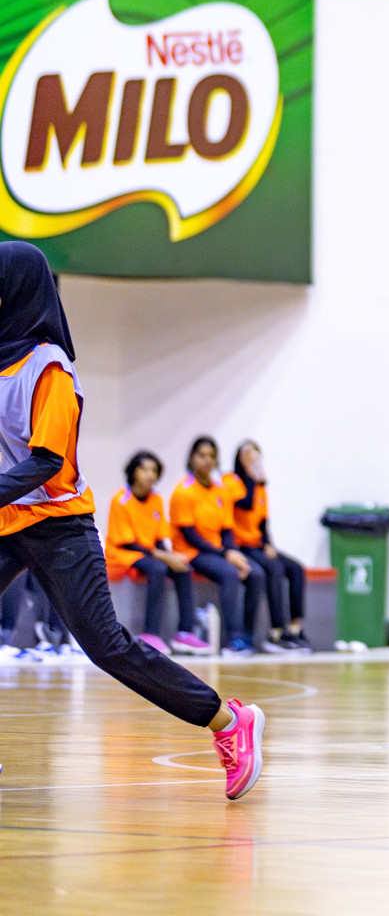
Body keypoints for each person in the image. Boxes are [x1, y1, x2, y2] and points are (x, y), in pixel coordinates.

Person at [0, 243, 263, 799]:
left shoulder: (48, 364)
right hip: (5, 520)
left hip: (57, 526)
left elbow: (48, 463)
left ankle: (228, 721)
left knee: (108, 645)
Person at [105, 450, 212, 656]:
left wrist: (172, 557)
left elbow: (160, 537)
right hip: (122, 554)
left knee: (183, 568)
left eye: (154, 470)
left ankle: (184, 632)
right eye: (144, 469)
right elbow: (129, 544)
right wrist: (164, 557)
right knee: (158, 568)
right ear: (133, 472)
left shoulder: (156, 499)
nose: (150, 474)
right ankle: (150, 633)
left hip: (149, 554)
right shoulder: (121, 499)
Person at [170, 436, 267, 656]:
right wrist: (226, 554)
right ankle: (232, 639)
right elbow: (190, 535)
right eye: (201, 455)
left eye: (212, 456)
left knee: (257, 573)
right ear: (192, 458)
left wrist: (232, 551)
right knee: (230, 574)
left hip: (217, 551)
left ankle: (246, 636)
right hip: (191, 552)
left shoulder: (219, 490)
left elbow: (226, 529)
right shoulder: (183, 491)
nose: (207, 460)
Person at [226, 440, 311, 653]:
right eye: (247, 454)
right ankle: (276, 632)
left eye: (256, 454)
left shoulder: (261, 487)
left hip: (257, 544)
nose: (253, 458)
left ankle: (294, 628)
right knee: (273, 568)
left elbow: (263, 522)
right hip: (240, 545)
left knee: (295, 568)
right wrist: (254, 479)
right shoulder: (231, 481)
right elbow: (244, 503)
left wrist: (269, 544)